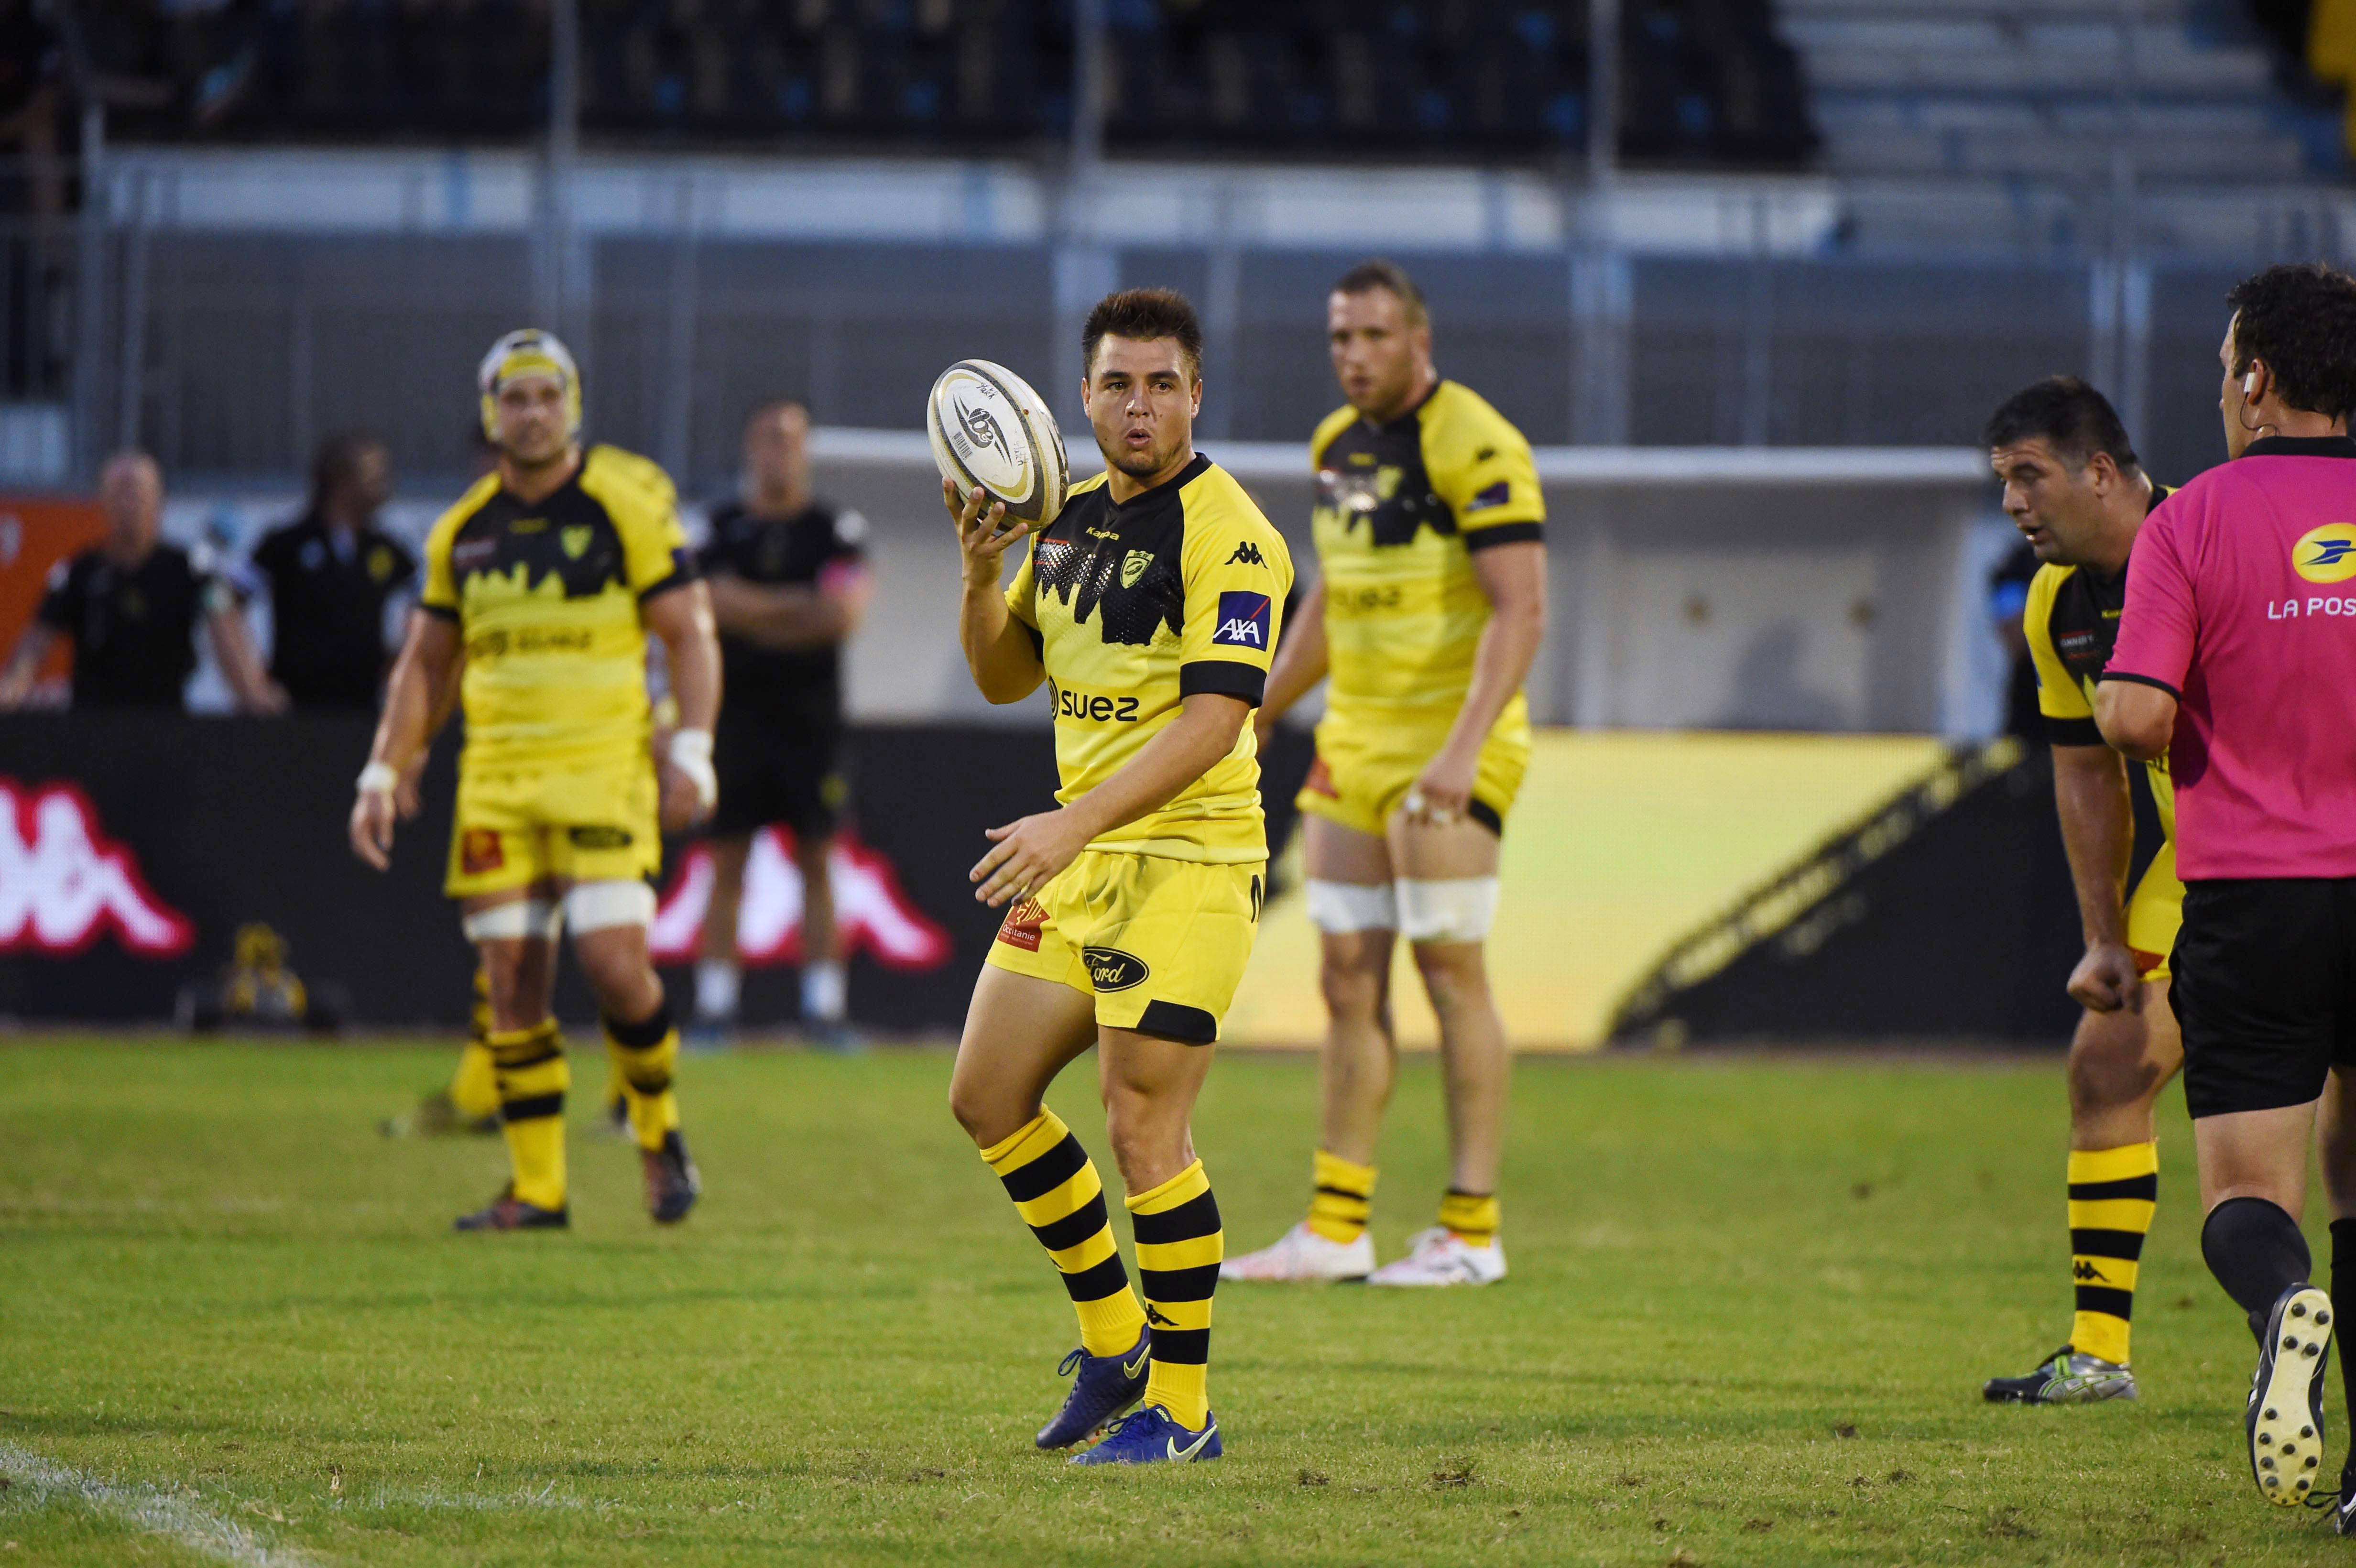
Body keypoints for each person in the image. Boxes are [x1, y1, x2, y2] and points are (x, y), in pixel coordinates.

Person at [944, 288, 1292, 1465]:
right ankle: (1113, 1343)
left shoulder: (1234, 532)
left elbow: (1217, 717)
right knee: (987, 1096)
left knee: (1145, 1125)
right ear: (1081, 397)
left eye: (1160, 384)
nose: (1137, 406)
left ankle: (1185, 1412)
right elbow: (1005, 677)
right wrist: (979, 573)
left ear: (1197, 395)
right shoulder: (1067, 519)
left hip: (1188, 859)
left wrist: (1070, 821)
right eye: (1115, 384)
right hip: (1082, 853)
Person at [348, 328, 721, 1232]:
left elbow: (690, 634)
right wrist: (384, 767)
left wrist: (693, 749)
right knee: (510, 976)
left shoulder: (623, 505)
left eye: (547, 396)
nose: (532, 413)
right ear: (490, 412)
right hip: (499, 780)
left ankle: (658, 1135)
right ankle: (537, 1190)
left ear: (574, 406)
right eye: (514, 398)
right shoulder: (462, 531)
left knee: (613, 966)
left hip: (603, 770)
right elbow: (425, 666)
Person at [1222, 259, 1546, 1288]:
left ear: (1419, 338)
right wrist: (1266, 698)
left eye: (1371, 336)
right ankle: (1334, 1226)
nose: (1353, 356)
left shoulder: (1479, 443)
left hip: (1453, 745)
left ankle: (1471, 1230)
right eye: (1339, 339)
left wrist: (1458, 751)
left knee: (1449, 972)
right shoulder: (1334, 446)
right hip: (1352, 748)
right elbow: (1335, 588)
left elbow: (1520, 610)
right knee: (1344, 979)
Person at [2094, 261, 2356, 1518]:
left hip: (2258, 893)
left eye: (2222, 367)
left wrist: (2118, 692)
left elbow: (2140, 716)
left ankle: (2280, 1304)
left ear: (2256, 380)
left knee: (2253, 1195)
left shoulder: (2189, 522)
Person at [1973, 379, 2181, 1406]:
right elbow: (2085, 771)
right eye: (2002, 479)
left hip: (2299, 856)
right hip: (2193, 876)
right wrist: (2104, 935)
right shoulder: (2060, 604)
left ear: (2100, 471)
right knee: (2105, 1068)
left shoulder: (2208, 543)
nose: (2011, 501)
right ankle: (2098, 1351)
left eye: (2028, 474)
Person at [691, 399, 873, 1045]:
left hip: (811, 724)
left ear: (806, 450)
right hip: (735, 717)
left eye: (790, 439)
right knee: (726, 861)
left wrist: (749, 608)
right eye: (768, 438)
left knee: (821, 860)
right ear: (750, 447)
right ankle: (714, 1011)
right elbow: (703, 607)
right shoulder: (719, 527)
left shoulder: (836, 529)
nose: (779, 451)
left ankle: (823, 1011)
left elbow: (842, 616)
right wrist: (798, 609)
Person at [0, 449, 282, 713]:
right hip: (93, 722)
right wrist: (15, 684)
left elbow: (224, 623)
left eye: (136, 493)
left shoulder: (191, 569)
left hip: (164, 720)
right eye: (119, 494)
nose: (128, 504)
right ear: (105, 502)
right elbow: (38, 636)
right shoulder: (80, 571)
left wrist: (251, 690)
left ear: (158, 500)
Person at [248, 431, 416, 710]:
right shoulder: (288, 543)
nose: (385, 484)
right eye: (374, 474)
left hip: (364, 712)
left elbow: (432, 602)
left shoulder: (385, 548)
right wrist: (252, 687)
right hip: (296, 712)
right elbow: (221, 598)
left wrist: (399, 666)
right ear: (341, 480)